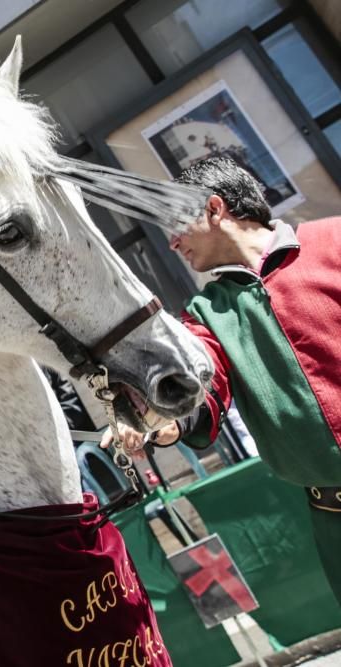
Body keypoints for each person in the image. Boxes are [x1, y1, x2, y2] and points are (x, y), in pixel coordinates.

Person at [104, 156, 341, 601]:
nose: (172, 244)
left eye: (176, 226)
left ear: (215, 209)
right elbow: (202, 384)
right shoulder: (205, 314)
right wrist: (162, 422)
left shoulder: (335, 241)